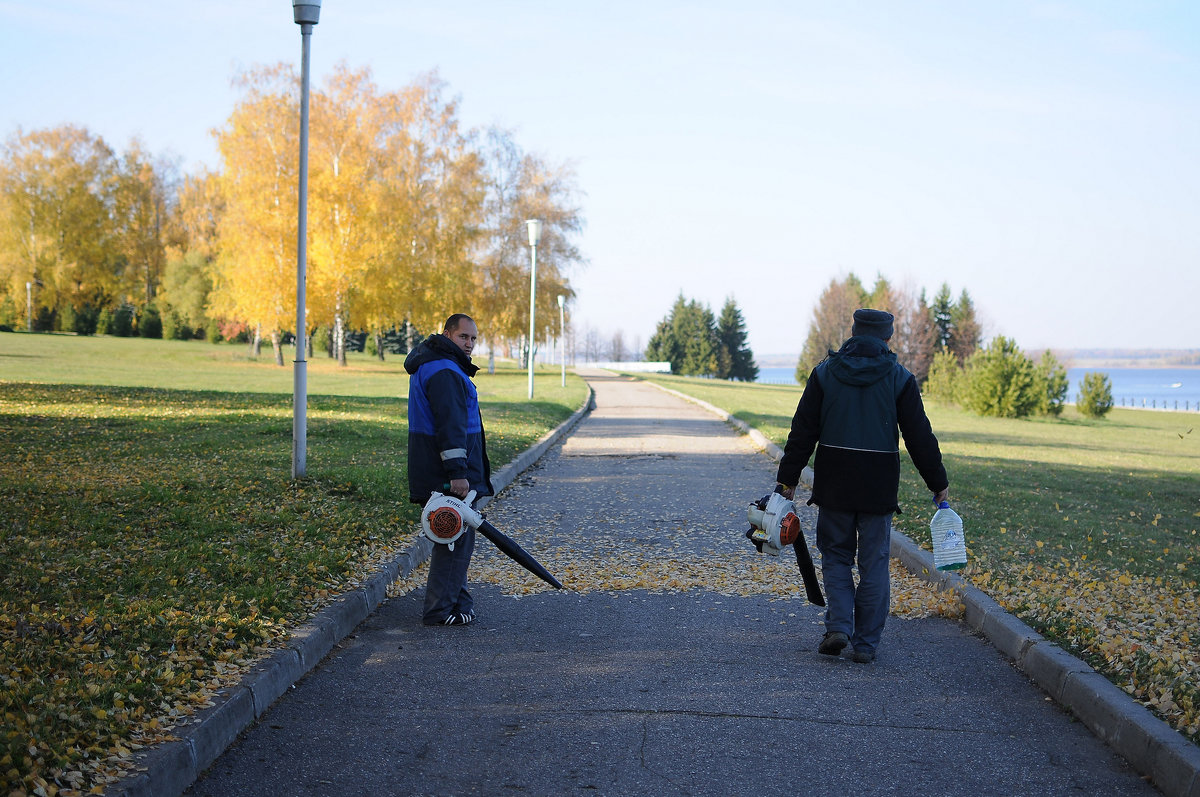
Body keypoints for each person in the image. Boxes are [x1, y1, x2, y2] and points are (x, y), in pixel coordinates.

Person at [775, 309, 948, 663]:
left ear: (853, 333)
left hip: (835, 479)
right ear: (887, 338)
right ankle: (866, 644)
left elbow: (803, 430)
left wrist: (787, 479)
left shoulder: (825, 372)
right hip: (878, 484)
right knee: (874, 563)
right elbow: (919, 437)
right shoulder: (899, 378)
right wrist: (938, 482)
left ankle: (839, 625)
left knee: (836, 556)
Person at [405, 313, 494, 626]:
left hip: (440, 467)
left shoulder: (440, 364)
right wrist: (458, 473)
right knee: (453, 539)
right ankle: (440, 610)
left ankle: (457, 603)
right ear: (447, 335)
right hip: (448, 472)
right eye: (463, 337)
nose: (468, 344)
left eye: (472, 339)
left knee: (456, 538)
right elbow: (450, 427)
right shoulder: (444, 370)